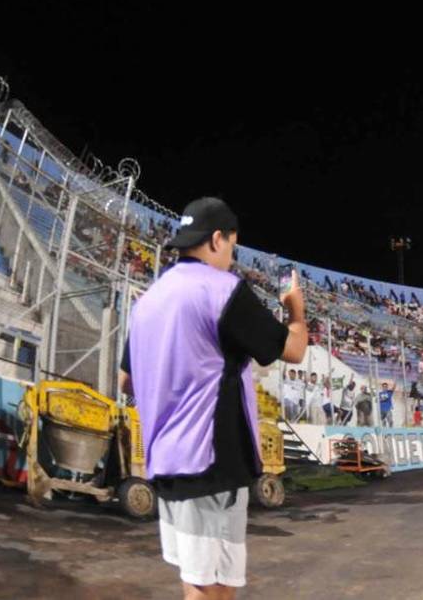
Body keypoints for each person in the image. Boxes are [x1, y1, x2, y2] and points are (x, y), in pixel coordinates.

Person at [119, 197, 309, 599]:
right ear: (218, 239)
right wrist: (296, 313)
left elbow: (125, 380)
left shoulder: (148, 301)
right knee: (216, 589)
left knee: (195, 580)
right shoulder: (222, 290)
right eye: (233, 248)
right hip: (211, 461)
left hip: (166, 461)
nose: (231, 258)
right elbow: (292, 350)